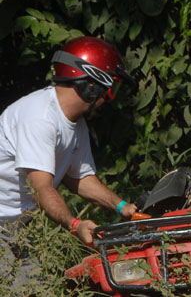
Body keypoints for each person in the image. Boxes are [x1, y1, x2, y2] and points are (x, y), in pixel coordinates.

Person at [0, 36, 138, 249]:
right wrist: (75, 224)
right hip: (3, 225)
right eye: (111, 90)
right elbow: (41, 190)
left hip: (16, 227)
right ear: (90, 84)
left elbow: (80, 178)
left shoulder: (76, 124)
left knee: (39, 282)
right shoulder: (39, 116)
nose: (110, 100)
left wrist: (122, 207)